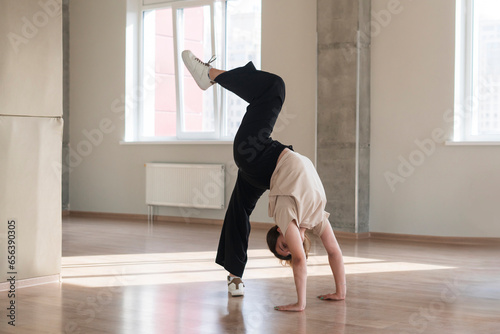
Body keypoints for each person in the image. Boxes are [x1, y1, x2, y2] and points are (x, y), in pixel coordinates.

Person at [181, 50, 346, 312]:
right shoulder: (315, 217)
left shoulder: (285, 212)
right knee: (239, 209)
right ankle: (235, 276)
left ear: (280, 230)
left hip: (256, 153)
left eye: (283, 247)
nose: (292, 249)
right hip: (262, 169)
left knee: (273, 88)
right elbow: (334, 252)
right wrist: (340, 291)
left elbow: (300, 261)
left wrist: (300, 304)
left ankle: (209, 75)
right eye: (290, 251)